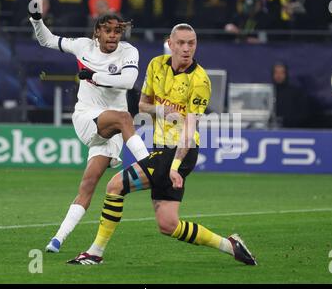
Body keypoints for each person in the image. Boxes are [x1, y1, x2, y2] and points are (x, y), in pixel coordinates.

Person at [67, 23, 257, 266]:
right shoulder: (156, 65)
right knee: (168, 225)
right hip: (160, 148)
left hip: (179, 153)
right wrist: (159, 109)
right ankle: (229, 245)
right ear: (170, 43)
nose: (187, 48)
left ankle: (95, 252)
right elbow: (143, 105)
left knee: (115, 187)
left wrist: (176, 166)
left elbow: (190, 128)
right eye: (181, 43)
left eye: (192, 43)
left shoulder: (200, 81)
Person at [28, 3, 150, 253]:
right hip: (87, 116)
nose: (113, 36)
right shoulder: (83, 46)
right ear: (97, 33)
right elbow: (47, 40)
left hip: (111, 130)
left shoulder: (129, 51)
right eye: (108, 31)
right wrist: (36, 19)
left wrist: (93, 76)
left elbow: (127, 82)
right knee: (126, 117)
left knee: (88, 185)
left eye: (117, 31)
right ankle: (151, 167)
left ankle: (57, 239)